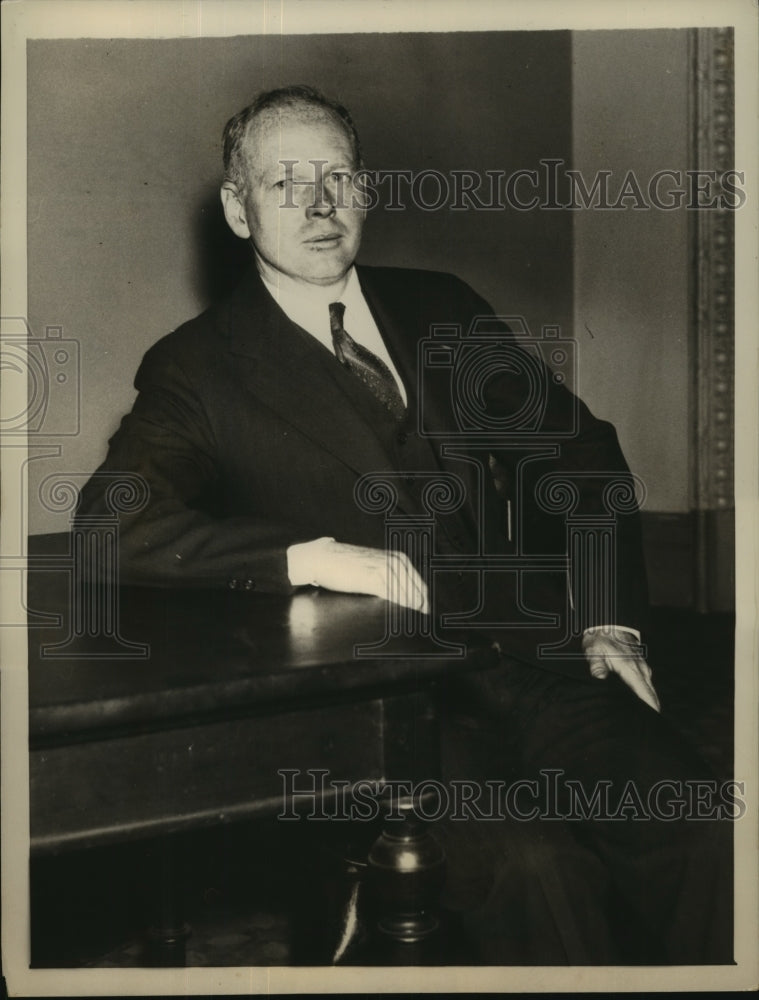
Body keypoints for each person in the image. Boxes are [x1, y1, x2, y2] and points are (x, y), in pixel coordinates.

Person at [77, 85, 731, 964]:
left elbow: (580, 452)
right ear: (237, 211)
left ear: (365, 190)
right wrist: (315, 557)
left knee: (695, 826)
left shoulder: (440, 309)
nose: (320, 206)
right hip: (378, 701)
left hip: (530, 655)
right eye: (284, 184)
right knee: (534, 876)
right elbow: (112, 525)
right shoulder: (197, 367)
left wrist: (610, 617)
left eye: (338, 177)